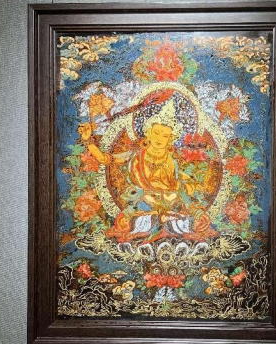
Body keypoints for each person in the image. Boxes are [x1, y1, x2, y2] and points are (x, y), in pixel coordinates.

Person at [87, 99, 217, 242]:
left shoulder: (173, 160)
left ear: (171, 139)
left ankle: (165, 221)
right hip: (144, 202)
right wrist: (88, 141)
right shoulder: (136, 155)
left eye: (165, 136)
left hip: (171, 201)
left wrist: (194, 210)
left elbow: (179, 187)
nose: (159, 138)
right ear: (148, 133)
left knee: (190, 221)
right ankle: (160, 221)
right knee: (127, 222)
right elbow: (106, 159)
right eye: (156, 133)